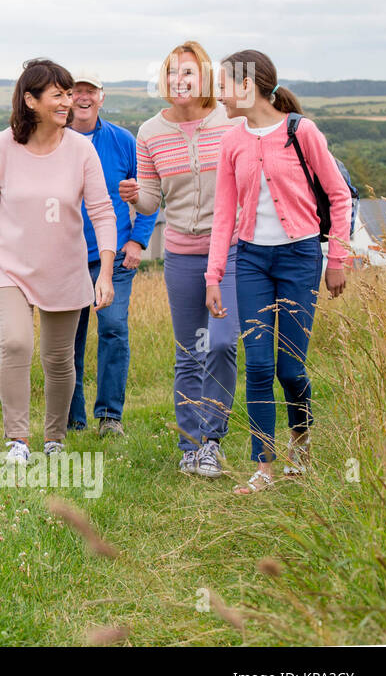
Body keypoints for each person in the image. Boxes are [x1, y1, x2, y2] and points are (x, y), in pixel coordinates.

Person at [206, 50, 350, 495]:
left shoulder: (301, 132)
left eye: (225, 84)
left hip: (300, 259)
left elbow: (339, 196)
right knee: (259, 364)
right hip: (250, 261)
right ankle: (263, 465)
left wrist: (338, 260)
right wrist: (214, 276)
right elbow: (224, 214)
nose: (220, 94)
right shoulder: (232, 140)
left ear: (248, 87)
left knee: (290, 368)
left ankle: (301, 441)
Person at [0, 59, 116, 466]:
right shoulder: (2, 146)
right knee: (16, 342)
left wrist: (105, 269)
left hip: (64, 267)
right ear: (31, 100)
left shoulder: (81, 150)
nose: (67, 102)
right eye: (58, 95)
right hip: (7, 262)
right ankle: (17, 439)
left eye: (69, 94)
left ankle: (54, 439)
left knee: (58, 358)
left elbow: (102, 210)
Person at [119, 41, 241, 478]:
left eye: (188, 73)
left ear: (204, 78)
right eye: (172, 74)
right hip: (181, 253)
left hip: (229, 249)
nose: (180, 81)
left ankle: (213, 438)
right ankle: (191, 446)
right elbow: (154, 202)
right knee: (190, 351)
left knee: (223, 342)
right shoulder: (149, 131)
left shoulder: (231, 121)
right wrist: (138, 196)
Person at [66, 70, 159, 437]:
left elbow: (149, 194)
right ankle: (72, 419)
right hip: (67, 258)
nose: (83, 97)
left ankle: (110, 417)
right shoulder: (55, 140)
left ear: (101, 97)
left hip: (116, 257)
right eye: (76, 91)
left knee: (114, 329)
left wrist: (138, 241)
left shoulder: (123, 141)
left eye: (91, 91)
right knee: (68, 340)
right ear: (67, 97)